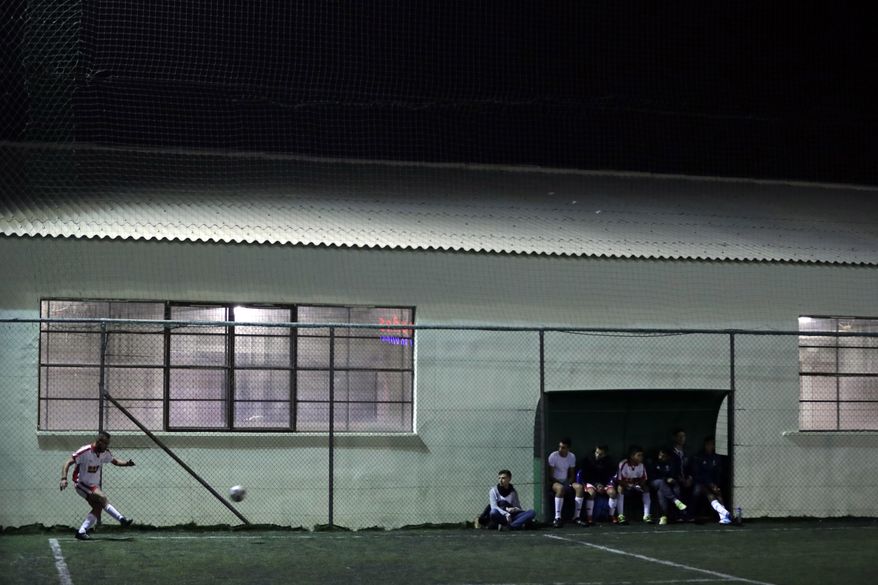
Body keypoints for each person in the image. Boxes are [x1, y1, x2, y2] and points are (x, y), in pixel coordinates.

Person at [60, 431, 135, 540]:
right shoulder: (85, 451)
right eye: (105, 443)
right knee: (102, 497)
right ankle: (122, 519)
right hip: (81, 483)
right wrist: (63, 478)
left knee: (98, 507)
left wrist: (127, 463)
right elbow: (67, 462)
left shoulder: (104, 452)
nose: (107, 446)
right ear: (99, 442)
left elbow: (115, 461)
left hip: (93, 485)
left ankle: (81, 532)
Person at [547, 437, 588, 528]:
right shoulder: (553, 456)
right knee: (560, 488)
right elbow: (550, 476)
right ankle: (557, 518)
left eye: (563, 447)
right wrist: (560, 483)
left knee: (580, 488)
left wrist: (568, 482)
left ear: (568, 448)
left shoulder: (572, 456)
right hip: (555, 482)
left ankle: (576, 517)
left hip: (566, 481)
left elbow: (572, 474)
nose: (560, 449)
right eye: (560, 447)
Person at [692, 436, 732, 524]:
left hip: (713, 483)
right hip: (701, 483)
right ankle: (724, 512)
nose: (709, 446)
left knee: (718, 492)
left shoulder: (716, 457)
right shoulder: (699, 456)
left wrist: (715, 485)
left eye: (711, 445)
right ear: (704, 445)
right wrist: (709, 483)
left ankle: (724, 517)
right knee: (707, 493)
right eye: (708, 444)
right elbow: (698, 474)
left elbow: (718, 472)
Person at [577, 444, 618, 525]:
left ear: (605, 454)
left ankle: (611, 516)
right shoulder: (588, 460)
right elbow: (584, 475)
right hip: (591, 483)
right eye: (596, 453)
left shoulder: (609, 461)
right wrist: (596, 484)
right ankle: (589, 517)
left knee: (613, 493)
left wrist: (606, 484)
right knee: (591, 493)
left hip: (605, 483)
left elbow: (613, 475)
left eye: (600, 454)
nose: (597, 455)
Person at [647, 447, 688, 525]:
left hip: (665, 486)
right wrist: (665, 479)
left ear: (668, 457)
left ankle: (664, 516)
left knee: (661, 492)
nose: (660, 457)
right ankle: (675, 501)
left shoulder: (670, 463)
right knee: (661, 483)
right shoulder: (654, 462)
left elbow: (673, 475)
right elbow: (653, 476)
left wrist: (671, 479)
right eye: (660, 455)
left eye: (663, 456)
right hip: (654, 482)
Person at [615, 445, 652, 524]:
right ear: (632, 456)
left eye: (642, 455)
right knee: (619, 488)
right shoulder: (623, 464)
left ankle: (646, 515)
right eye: (638, 455)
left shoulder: (641, 465)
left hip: (636, 487)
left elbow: (644, 478)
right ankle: (621, 516)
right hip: (625, 486)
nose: (641, 457)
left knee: (646, 488)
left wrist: (639, 485)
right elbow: (619, 480)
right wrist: (628, 485)